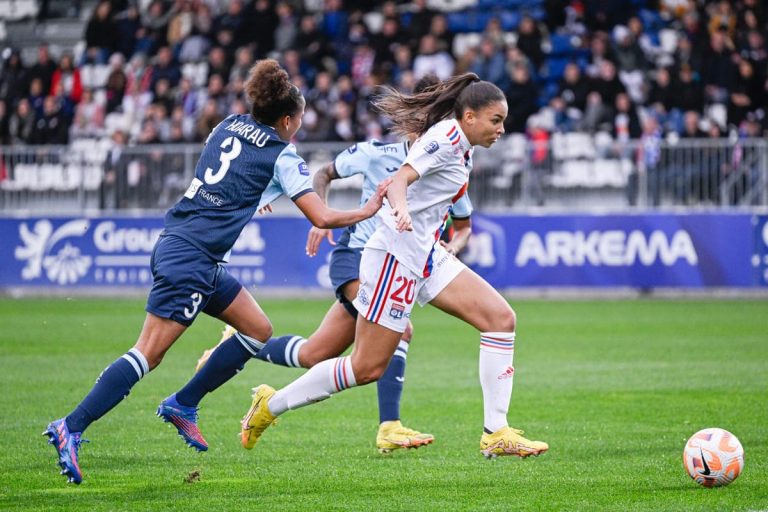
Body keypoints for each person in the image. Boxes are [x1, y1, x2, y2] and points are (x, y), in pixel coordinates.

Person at [43, 59, 389, 485]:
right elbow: (319, 215)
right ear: (287, 119)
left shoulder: (228, 124)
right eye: (298, 120)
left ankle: (183, 403)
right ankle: (71, 426)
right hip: (191, 257)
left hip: (192, 252)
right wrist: (368, 209)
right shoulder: (282, 154)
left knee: (257, 329)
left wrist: (257, 193)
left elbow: (231, 174)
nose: (299, 126)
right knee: (147, 354)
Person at [240, 72, 549, 459]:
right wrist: (401, 209)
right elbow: (400, 180)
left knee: (501, 319)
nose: (502, 129)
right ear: (469, 117)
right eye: (496, 120)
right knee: (365, 367)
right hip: (394, 256)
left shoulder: (462, 143)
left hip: (425, 254)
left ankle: (496, 432)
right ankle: (270, 405)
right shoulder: (446, 139)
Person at [198, 75, 473, 454]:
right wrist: (320, 216)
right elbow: (324, 172)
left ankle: (236, 347)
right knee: (401, 329)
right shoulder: (378, 153)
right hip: (359, 257)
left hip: (400, 263)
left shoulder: (446, 164)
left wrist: (452, 246)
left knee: (314, 354)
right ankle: (389, 425)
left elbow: (463, 224)